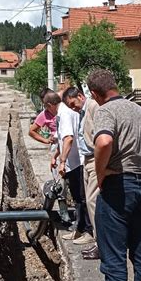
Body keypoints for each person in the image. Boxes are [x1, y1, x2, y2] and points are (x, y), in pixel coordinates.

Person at [89, 69, 141, 281]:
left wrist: (100, 173)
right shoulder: (139, 110)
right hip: (140, 188)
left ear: (94, 93)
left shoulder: (105, 111)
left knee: (114, 260)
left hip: (116, 189)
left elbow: (104, 141)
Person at [50, 90, 94, 245]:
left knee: (82, 199)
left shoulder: (66, 113)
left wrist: (62, 161)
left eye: (74, 103)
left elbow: (68, 138)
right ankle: (80, 229)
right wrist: (57, 155)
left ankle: (88, 231)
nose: (73, 107)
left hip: (77, 162)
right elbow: (63, 139)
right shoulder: (67, 112)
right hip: (74, 162)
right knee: (78, 199)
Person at [62, 86, 100, 259]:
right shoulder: (83, 111)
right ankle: (98, 242)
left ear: (80, 96)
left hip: (94, 159)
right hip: (88, 159)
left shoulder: (92, 107)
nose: (73, 108)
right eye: (70, 106)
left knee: (92, 202)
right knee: (90, 202)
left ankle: (101, 244)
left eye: (73, 103)